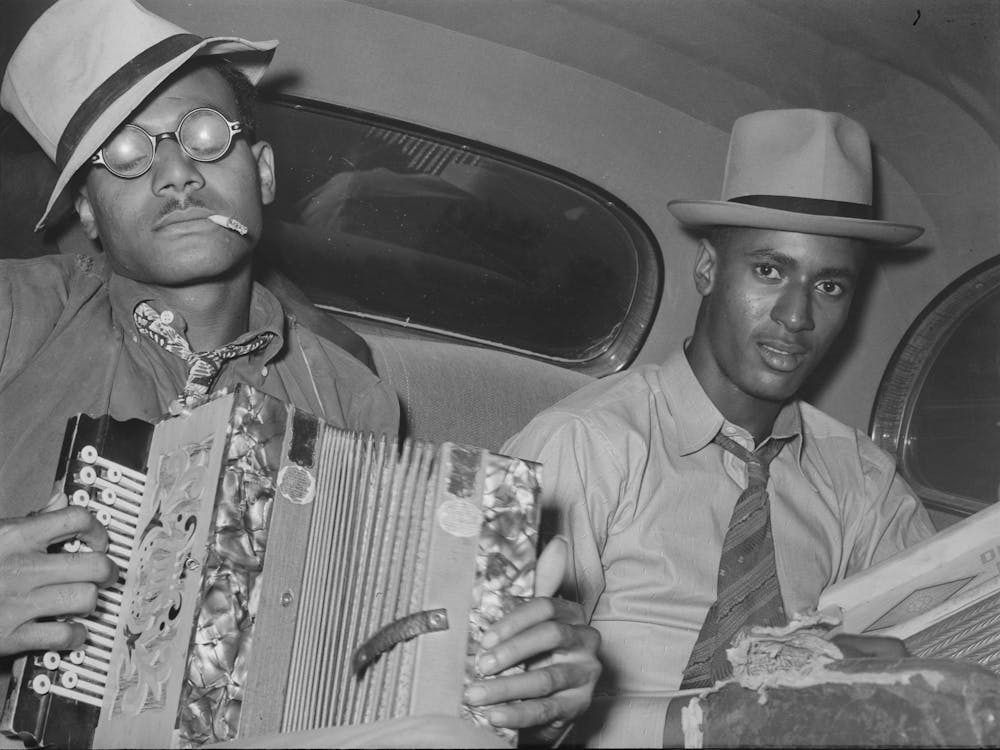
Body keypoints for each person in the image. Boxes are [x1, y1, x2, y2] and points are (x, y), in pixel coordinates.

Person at [0, 0, 598, 746]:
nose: (177, 174)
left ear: (264, 172)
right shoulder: (18, 315)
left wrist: (529, 694)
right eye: (125, 153)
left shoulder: (349, 394)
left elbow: (372, 670)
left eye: (205, 137)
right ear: (87, 211)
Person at [503, 108, 937, 746]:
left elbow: (948, 645)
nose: (796, 316)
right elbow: (498, 704)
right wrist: (727, 722)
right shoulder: (587, 443)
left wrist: (889, 669)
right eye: (769, 270)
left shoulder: (860, 480)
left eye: (831, 287)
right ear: (707, 270)